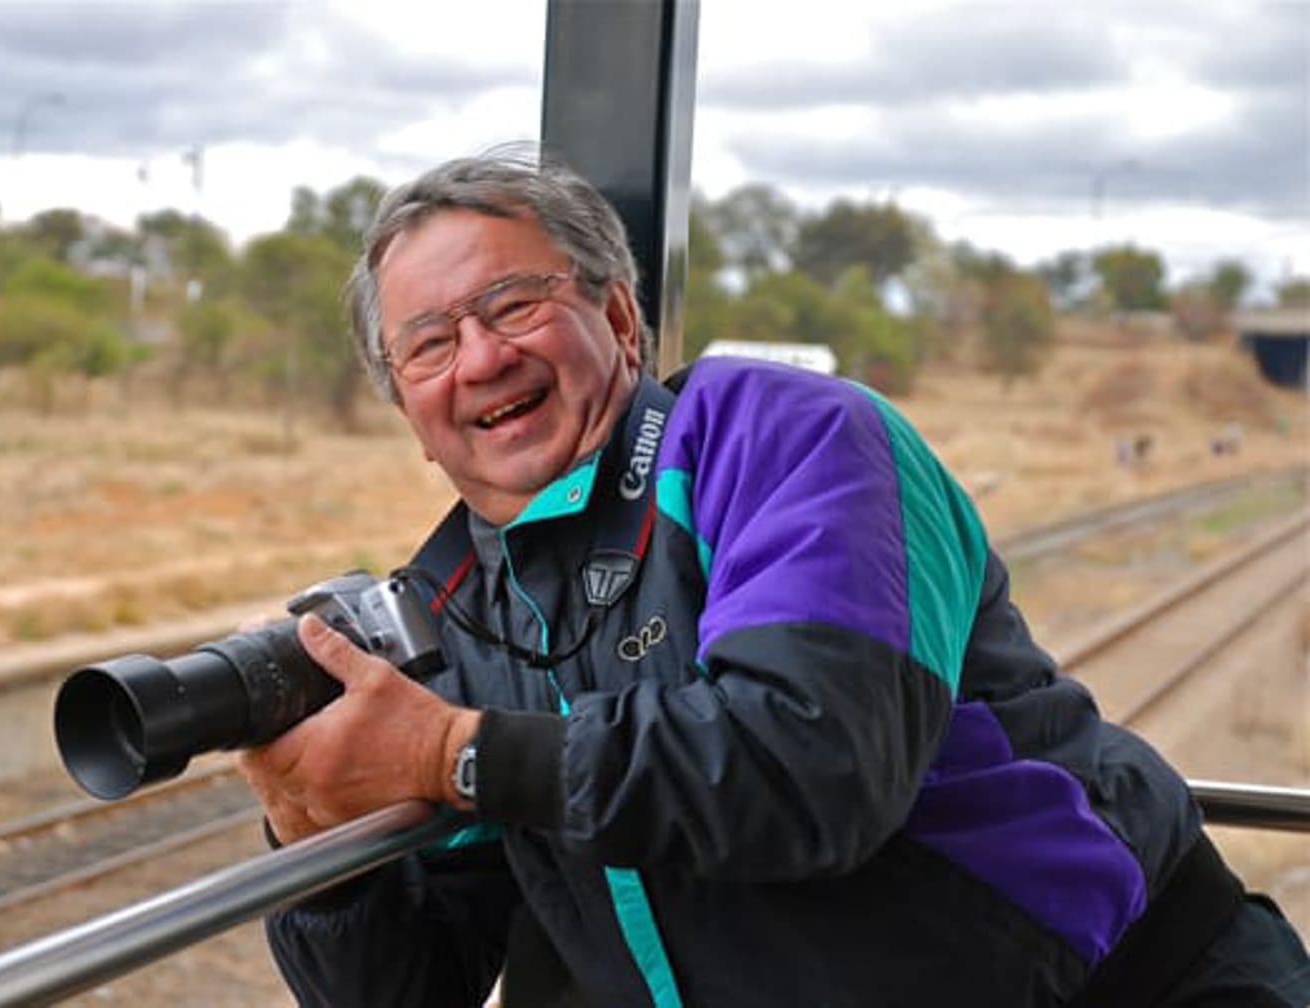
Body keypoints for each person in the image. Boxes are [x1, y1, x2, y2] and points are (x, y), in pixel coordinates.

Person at [236, 147, 1310, 1008]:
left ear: (616, 317)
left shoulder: (783, 438)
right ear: (411, 415)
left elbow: (815, 767)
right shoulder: (452, 614)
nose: (479, 358)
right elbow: (406, 988)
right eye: (428, 345)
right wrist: (319, 834)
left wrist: (448, 753)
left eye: (512, 306)